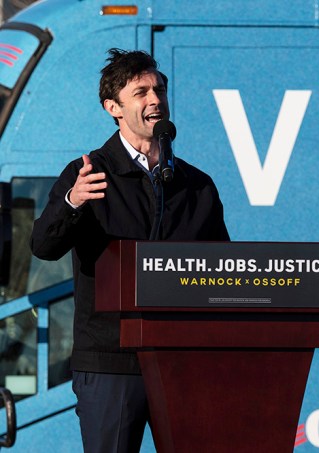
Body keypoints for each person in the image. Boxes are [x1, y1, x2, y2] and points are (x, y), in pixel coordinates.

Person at [30, 48, 229, 452]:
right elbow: (43, 246)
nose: (155, 99)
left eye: (159, 89)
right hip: (110, 362)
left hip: (181, 360)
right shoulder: (88, 174)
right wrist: (71, 202)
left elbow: (222, 271)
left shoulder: (196, 185)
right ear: (113, 108)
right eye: (141, 92)